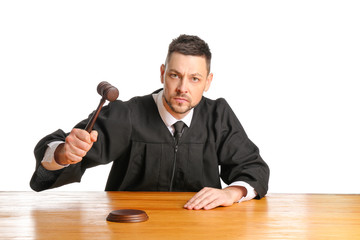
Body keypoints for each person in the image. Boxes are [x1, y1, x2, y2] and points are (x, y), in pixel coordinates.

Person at [30, 34, 270, 210]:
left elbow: (254, 168)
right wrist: (64, 154)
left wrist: (232, 192)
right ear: (162, 73)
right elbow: (59, 148)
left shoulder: (218, 115)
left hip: (200, 228)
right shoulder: (128, 114)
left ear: (208, 82)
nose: (182, 88)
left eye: (195, 79)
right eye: (175, 75)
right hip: (130, 230)